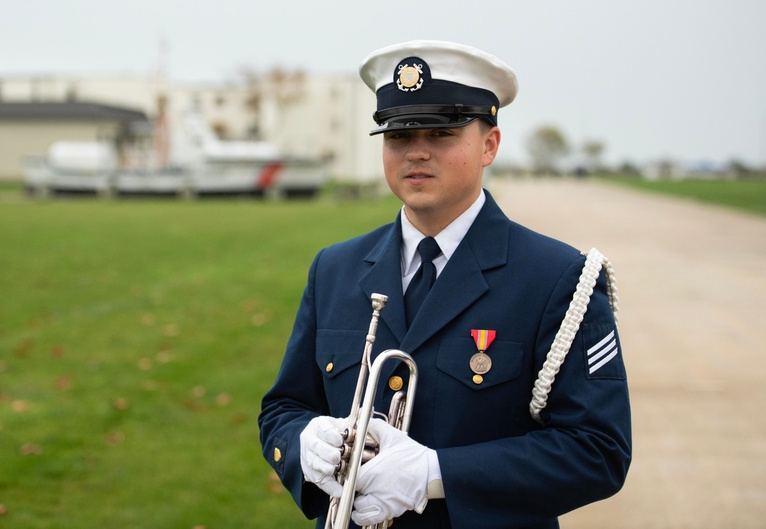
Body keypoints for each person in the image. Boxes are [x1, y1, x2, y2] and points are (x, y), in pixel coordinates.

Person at [258, 40, 631, 529]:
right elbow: (284, 408)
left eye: (441, 132)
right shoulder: (335, 268)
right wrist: (304, 442)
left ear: (490, 144)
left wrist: (436, 474)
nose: (416, 151)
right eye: (397, 136)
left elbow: (598, 450)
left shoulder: (559, 277)